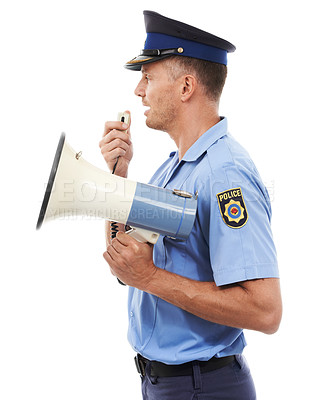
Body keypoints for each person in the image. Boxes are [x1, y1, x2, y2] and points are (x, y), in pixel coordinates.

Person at [99, 10, 282, 400]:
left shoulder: (225, 176)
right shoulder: (173, 169)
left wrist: (150, 278)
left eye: (148, 77)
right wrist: (119, 174)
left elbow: (265, 312)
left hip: (205, 387)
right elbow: (124, 264)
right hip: (167, 384)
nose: (138, 90)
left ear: (186, 87)